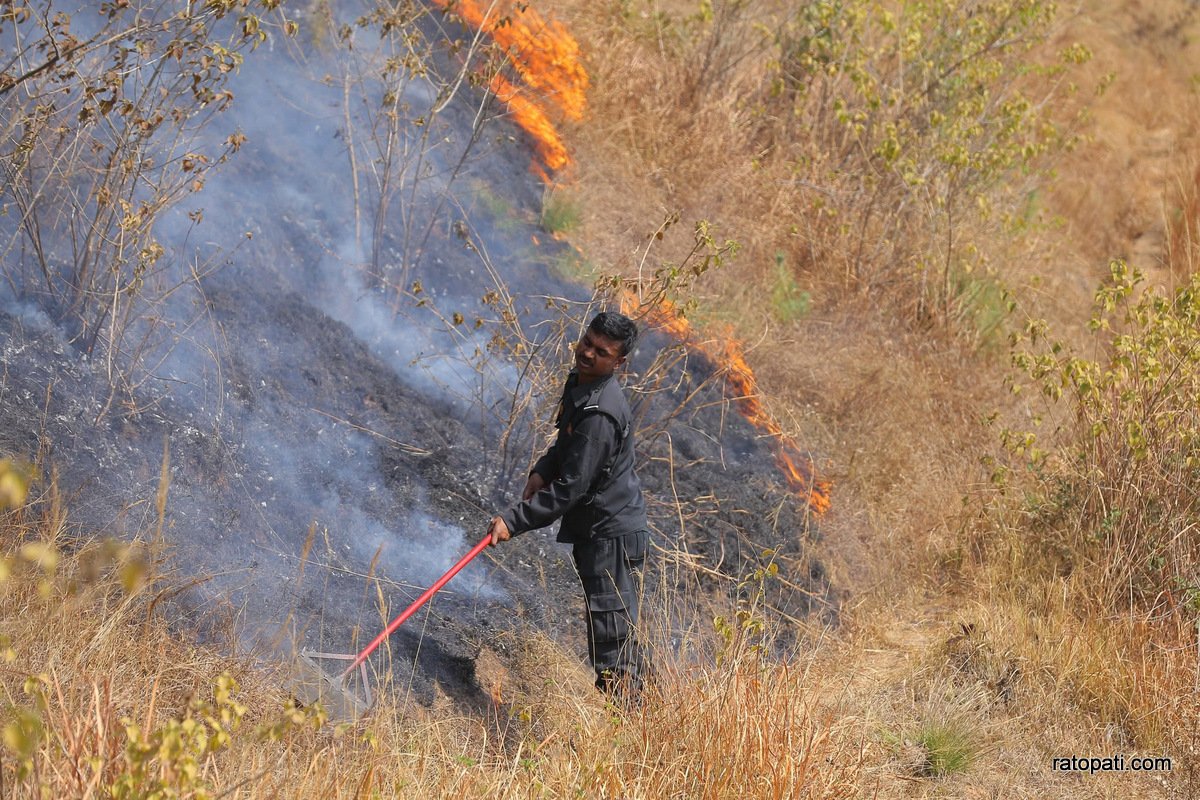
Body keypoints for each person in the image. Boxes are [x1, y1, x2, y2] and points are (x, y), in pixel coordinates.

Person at [487, 311, 650, 697]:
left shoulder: (601, 414)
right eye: (587, 343)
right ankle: (649, 727)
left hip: (611, 537)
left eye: (602, 351)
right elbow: (566, 446)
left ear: (619, 362)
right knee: (616, 639)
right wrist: (543, 468)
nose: (589, 354)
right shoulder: (582, 383)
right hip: (601, 532)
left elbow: (571, 489)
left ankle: (639, 740)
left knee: (613, 649)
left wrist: (514, 521)